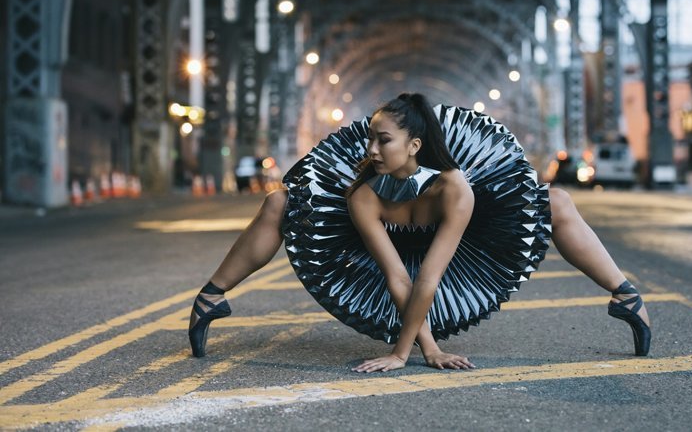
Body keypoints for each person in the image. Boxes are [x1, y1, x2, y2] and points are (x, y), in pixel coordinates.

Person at [188, 93, 651, 371]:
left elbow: (429, 276)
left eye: (382, 141)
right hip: (372, 244)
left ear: (414, 145)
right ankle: (210, 297)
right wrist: (416, 350)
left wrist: (406, 352)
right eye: (370, 138)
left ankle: (625, 295)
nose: (369, 149)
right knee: (279, 202)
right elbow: (398, 276)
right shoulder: (364, 193)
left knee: (555, 202)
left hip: (475, 232)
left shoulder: (455, 188)